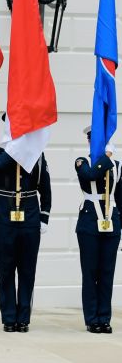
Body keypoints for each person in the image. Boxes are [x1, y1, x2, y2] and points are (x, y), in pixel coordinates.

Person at [0, 113, 51, 333]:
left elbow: (45, 188)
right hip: (3, 215)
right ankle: (9, 318)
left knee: (27, 270)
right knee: (5, 270)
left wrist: (44, 216)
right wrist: (18, 146)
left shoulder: (37, 155)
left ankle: (23, 319)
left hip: (30, 215)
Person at [74, 126, 120, 334]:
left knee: (107, 273)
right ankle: (92, 318)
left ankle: (104, 317)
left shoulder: (118, 166)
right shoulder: (82, 162)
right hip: (90, 222)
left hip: (112, 223)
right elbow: (92, 175)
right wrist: (107, 156)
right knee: (90, 272)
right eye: (95, 140)